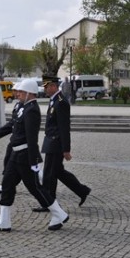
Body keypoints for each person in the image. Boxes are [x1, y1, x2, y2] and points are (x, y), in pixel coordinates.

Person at [0, 79, 69, 232]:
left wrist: (34, 160)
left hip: (24, 156)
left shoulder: (32, 110)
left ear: (29, 93)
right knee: (7, 184)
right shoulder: (23, 107)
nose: (17, 94)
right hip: (16, 154)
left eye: (20, 92)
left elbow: (31, 138)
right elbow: (12, 125)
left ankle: (59, 213)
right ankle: (4, 220)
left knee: (35, 188)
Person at [32, 75, 90, 213]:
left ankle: (48, 203)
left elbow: (64, 128)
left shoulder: (61, 102)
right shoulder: (54, 100)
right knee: (58, 172)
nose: (45, 90)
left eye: (46, 87)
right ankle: (82, 190)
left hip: (56, 143)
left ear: (53, 86)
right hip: (51, 141)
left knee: (49, 174)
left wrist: (66, 149)